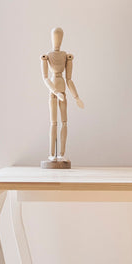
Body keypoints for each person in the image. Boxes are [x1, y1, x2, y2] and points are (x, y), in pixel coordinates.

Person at [41, 27, 84, 168]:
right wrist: (55, 91)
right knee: (53, 123)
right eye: (55, 36)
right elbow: (45, 78)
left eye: (59, 37)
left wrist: (76, 97)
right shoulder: (47, 56)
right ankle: (51, 153)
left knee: (64, 122)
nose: (57, 40)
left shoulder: (66, 56)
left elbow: (69, 79)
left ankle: (61, 152)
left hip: (63, 93)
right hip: (54, 93)